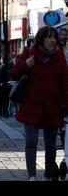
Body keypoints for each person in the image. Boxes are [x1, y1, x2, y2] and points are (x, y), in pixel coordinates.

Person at [11, 26, 68, 181]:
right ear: (41, 39)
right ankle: (32, 176)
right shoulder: (29, 54)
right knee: (31, 143)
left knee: (50, 145)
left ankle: (48, 175)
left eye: (54, 38)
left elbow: (65, 84)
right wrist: (26, 65)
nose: (52, 41)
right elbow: (14, 74)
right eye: (49, 37)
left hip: (53, 107)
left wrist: (66, 107)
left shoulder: (59, 57)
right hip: (31, 106)